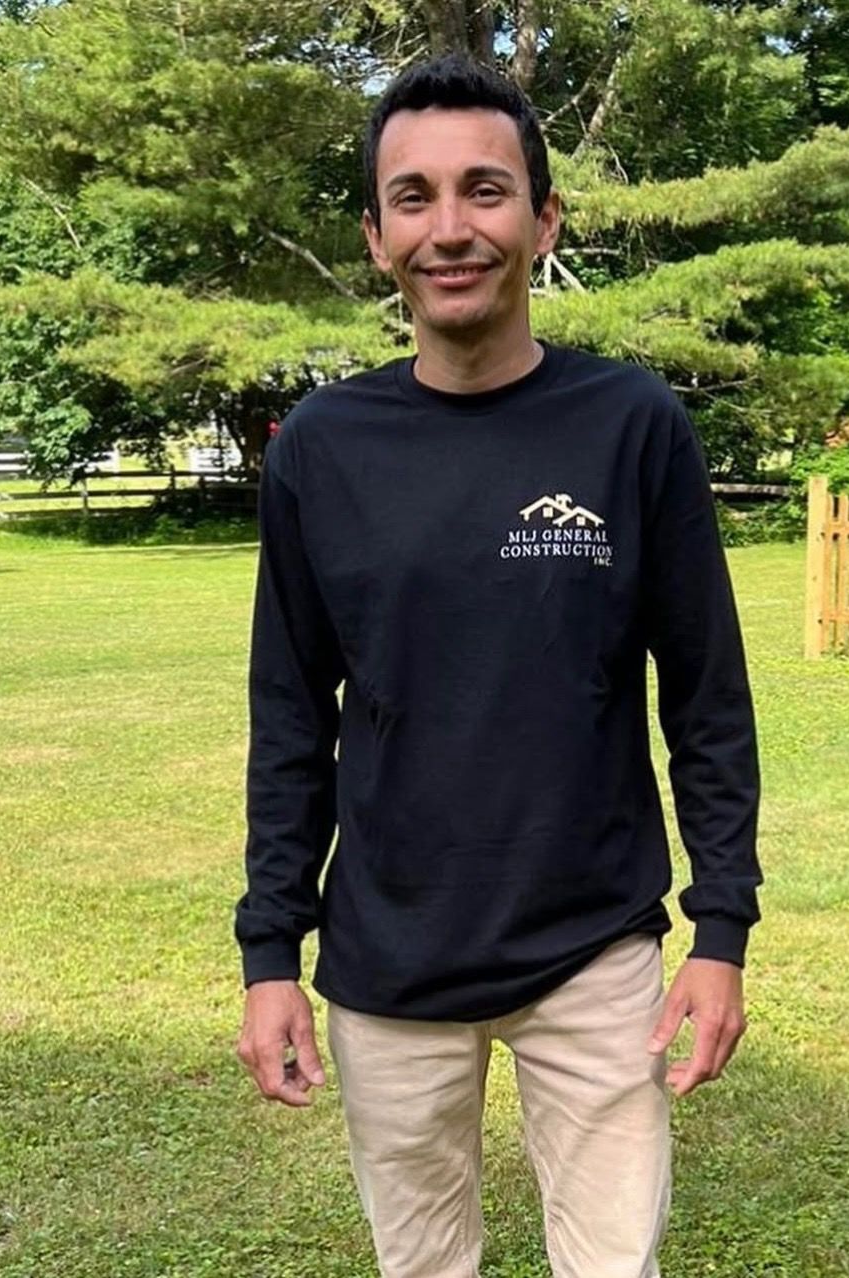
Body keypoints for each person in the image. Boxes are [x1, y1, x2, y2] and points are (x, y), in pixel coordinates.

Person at [234, 51, 763, 1278]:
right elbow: (289, 718)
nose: (450, 228)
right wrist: (270, 956)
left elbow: (706, 701)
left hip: (596, 952)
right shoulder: (322, 447)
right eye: (412, 198)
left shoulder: (631, 425)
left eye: (484, 189)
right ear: (375, 237)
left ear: (543, 218)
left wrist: (720, 930)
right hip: (388, 959)